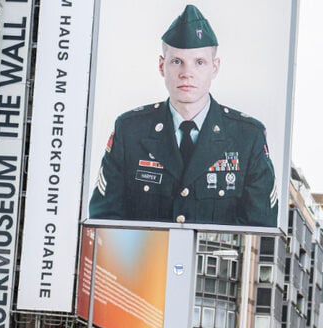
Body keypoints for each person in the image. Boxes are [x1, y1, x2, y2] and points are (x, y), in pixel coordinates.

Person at [87, 4, 278, 228]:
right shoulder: (130, 131)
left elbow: (260, 227)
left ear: (214, 68)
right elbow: (105, 220)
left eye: (199, 62)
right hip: (144, 263)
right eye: (177, 61)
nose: (187, 73)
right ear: (162, 65)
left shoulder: (247, 137)